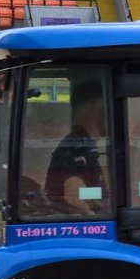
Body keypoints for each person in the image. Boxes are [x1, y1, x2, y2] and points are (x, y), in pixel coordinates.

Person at [44, 80, 107, 215]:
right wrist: (96, 220)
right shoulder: (77, 146)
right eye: (108, 106)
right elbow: (74, 199)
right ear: (97, 106)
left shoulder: (84, 144)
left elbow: (87, 196)